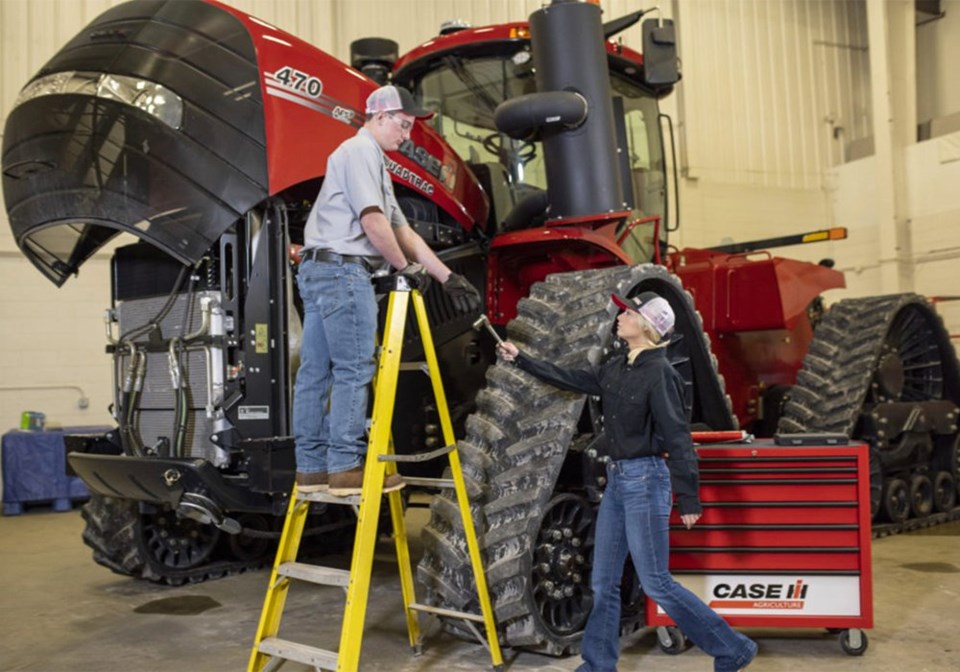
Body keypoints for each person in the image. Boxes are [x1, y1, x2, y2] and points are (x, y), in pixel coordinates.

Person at [497, 291, 757, 672]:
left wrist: (688, 498)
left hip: (646, 482)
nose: (621, 316)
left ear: (647, 325)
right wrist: (522, 359)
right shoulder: (618, 366)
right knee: (603, 582)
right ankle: (599, 663)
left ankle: (732, 648)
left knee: (656, 583)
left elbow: (678, 437)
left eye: (628, 312)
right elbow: (573, 379)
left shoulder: (661, 374)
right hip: (618, 482)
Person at [294, 84, 481, 497]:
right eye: (403, 124)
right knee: (356, 367)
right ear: (380, 117)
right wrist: (406, 269)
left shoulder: (372, 161)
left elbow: (402, 229)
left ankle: (310, 468)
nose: (407, 135)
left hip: (319, 269)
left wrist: (446, 276)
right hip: (344, 272)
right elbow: (374, 222)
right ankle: (344, 466)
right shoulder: (359, 152)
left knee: (315, 372)